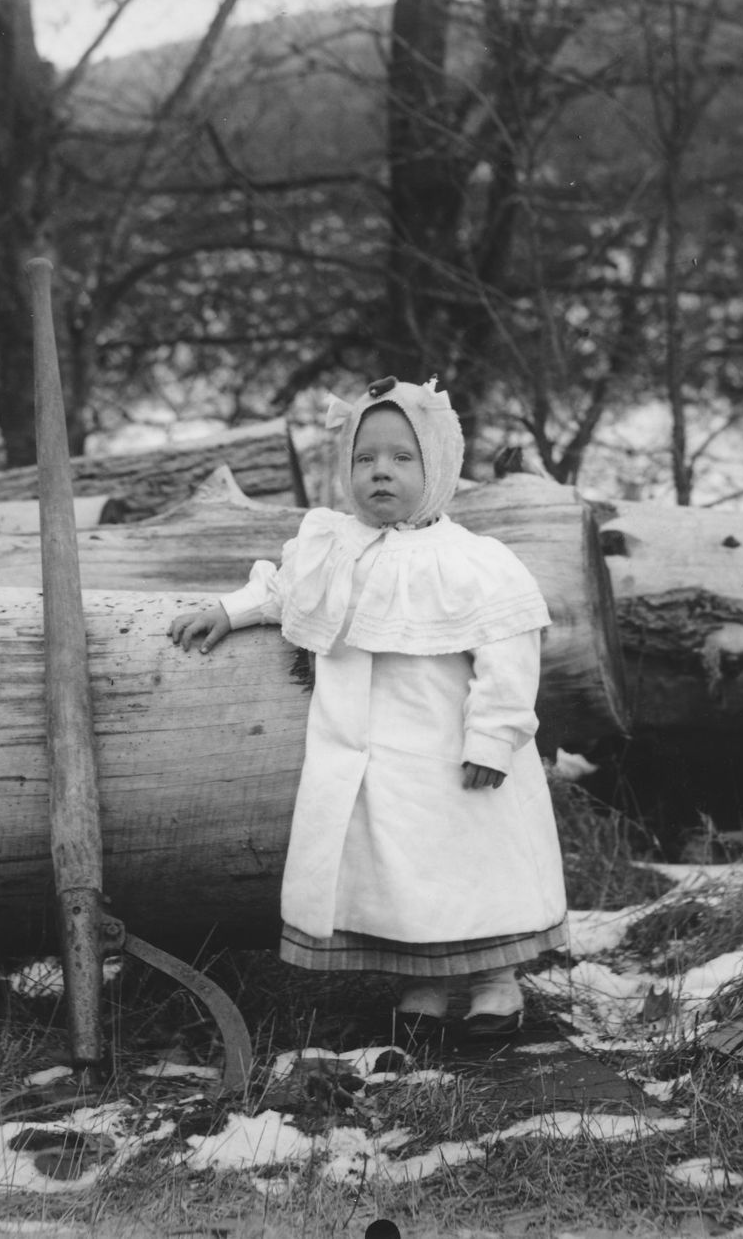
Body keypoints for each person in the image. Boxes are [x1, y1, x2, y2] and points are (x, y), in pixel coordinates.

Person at [168, 376, 567, 1043]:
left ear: (438, 465)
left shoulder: (474, 562)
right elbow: (283, 592)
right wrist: (229, 611)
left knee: (475, 863)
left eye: (402, 458)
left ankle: (497, 981)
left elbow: (509, 657)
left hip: (455, 751)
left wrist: (494, 739)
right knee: (402, 873)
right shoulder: (333, 542)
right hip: (376, 757)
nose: (380, 472)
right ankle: (424, 982)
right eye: (365, 458)